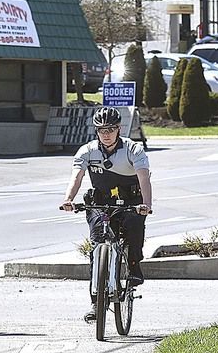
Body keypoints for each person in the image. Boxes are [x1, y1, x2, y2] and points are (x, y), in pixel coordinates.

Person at [60, 106, 152, 323]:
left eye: (110, 129)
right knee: (98, 246)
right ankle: (96, 302)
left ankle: (133, 267)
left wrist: (146, 204)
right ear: (96, 131)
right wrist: (68, 200)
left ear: (119, 129)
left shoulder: (133, 149)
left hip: (131, 202)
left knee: (133, 228)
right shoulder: (87, 151)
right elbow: (77, 176)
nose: (106, 133)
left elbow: (144, 178)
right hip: (100, 204)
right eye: (102, 130)